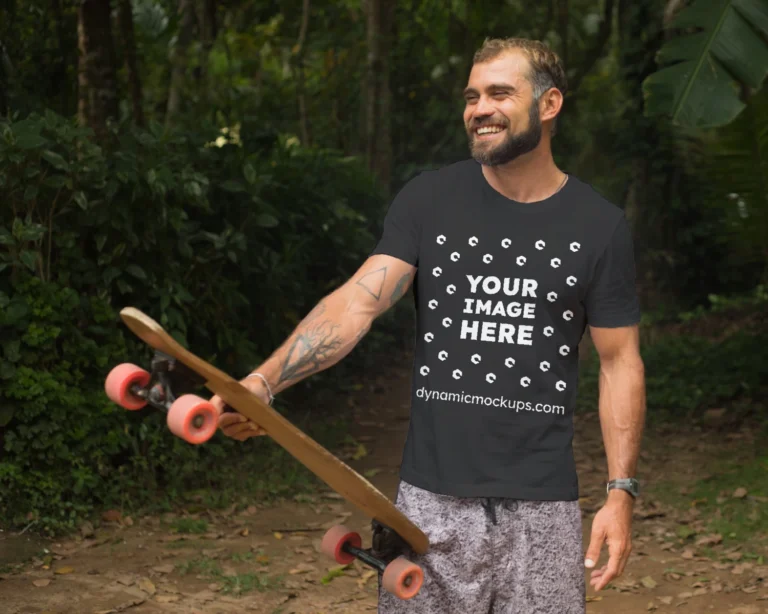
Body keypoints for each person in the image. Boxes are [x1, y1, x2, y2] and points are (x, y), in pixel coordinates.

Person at [211, 37, 646, 614]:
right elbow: (357, 304)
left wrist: (620, 493)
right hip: (430, 505)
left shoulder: (599, 226)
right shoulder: (431, 199)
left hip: (543, 508)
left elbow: (619, 361)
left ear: (549, 105)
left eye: (499, 93)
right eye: (471, 96)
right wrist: (262, 384)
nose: (479, 108)